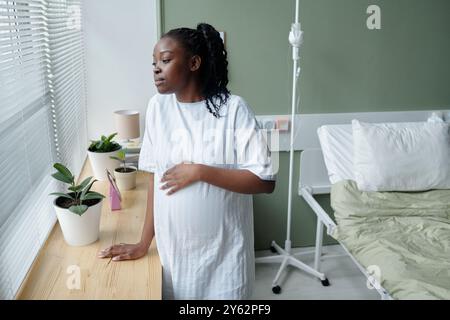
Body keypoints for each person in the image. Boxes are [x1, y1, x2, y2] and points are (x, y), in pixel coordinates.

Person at [98, 23, 276, 300]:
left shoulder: (235, 109)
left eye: (166, 60)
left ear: (194, 63)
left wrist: (200, 172)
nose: (156, 68)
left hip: (225, 264)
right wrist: (144, 242)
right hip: (176, 260)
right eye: (154, 62)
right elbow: (156, 178)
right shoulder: (157, 108)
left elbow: (266, 181)